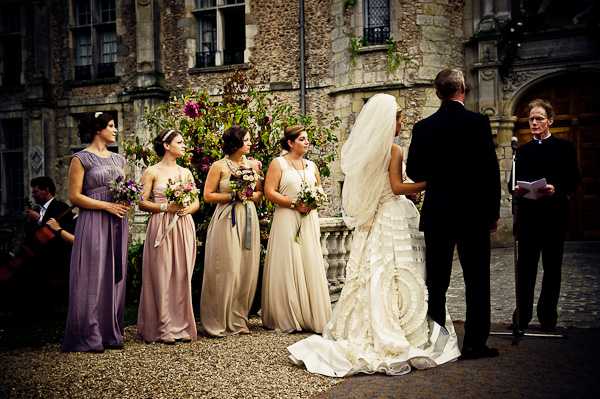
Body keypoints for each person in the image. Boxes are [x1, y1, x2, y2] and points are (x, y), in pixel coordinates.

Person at [287, 95, 460, 377]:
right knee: (397, 270)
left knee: (376, 272)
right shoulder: (393, 150)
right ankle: (403, 329)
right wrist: (428, 183)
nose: (401, 123)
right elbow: (396, 186)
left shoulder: (368, 152)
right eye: (399, 119)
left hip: (375, 219)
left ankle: (369, 325)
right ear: (389, 121)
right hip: (392, 214)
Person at [406, 69, 501, 360]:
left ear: (438, 92)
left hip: (439, 213)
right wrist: (493, 212)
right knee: (476, 280)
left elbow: (414, 171)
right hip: (474, 213)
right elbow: (490, 172)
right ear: (463, 89)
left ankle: (439, 343)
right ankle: (474, 344)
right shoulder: (478, 123)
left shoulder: (423, 127)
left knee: (437, 281)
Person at [62, 112, 130, 353]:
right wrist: (106, 205)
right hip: (92, 221)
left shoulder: (119, 159)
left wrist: (126, 199)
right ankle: (88, 334)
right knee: (92, 273)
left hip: (117, 222)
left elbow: (125, 189)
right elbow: (74, 196)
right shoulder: (80, 159)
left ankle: (110, 332)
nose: (115, 130)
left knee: (114, 272)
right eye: (111, 126)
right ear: (97, 128)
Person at [510, 99, 580, 333]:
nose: (534, 122)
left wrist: (556, 188)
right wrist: (517, 190)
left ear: (549, 121)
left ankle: (547, 316)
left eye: (539, 118)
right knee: (525, 269)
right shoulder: (522, 151)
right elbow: (511, 180)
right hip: (529, 217)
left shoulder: (565, 148)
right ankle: (522, 315)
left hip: (553, 216)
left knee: (552, 269)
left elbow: (574, 180)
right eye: (531, 119)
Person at [261, 125, 332, 333]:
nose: (306, 142)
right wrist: (293, 204)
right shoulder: (278, 163)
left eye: (307, 139)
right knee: (288, 261)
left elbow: (319, 190)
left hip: (308, 219)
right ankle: (287, 314)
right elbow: (269, 191)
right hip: (286, 218)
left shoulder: (312, 165)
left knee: (309, 260)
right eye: (302, 139)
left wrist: (313, 202)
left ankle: (310, 313)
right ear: (290, 143)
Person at [137, 129, 199, 344]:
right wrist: (166, 207)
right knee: (162, 274)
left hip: (183, 225)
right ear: (166, 145)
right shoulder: (152, 171)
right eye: (180, 142)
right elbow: (142, 202)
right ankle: (163, 327)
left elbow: (196, 202)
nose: (184, 146)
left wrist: (186, 209)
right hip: (161, 225)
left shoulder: (186, 173)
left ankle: (181, 326)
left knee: (182, 275)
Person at [200, 126, 262, 336]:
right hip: (227, 218)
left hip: (248, 217)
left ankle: (238, 320)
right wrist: (232, 196)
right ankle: (218, 320)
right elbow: (208, 196)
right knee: (226, 268)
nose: (250, 143)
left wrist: (248, 195)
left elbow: (259, 193)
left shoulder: (252, 165)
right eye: (246, 140)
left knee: (246, 268)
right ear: (235, 143)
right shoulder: (219, 166)